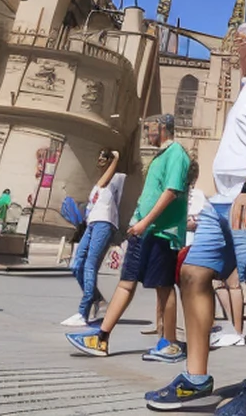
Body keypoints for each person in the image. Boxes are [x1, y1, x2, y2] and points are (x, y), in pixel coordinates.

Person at [146, 21, 246, 415]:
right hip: (221, 200)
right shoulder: (245, 90)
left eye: (239, 40)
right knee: (193, 275)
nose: (232, 45)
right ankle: (196, 376)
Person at [67, 115, 189, 363]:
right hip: (142, 230)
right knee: (125, 283)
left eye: (150, 129)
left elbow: (171, 192)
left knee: (164, 287)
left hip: (160, 232)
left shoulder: (177, 153)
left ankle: (170, 344)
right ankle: (101, 338)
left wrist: (145, 222)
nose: (147, 133)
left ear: (163, 128)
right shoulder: (159, 156)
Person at [62, 149, 124, 327]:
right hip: (92, 224)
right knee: (76, 264)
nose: (99, 160)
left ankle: (84, 311)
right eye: (99, 157)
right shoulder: (96, 185)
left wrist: (116, 158)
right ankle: (97, 299)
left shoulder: (115, 179)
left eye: (104, 158)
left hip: (104, 223)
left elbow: (106, 181)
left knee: (90, 264)